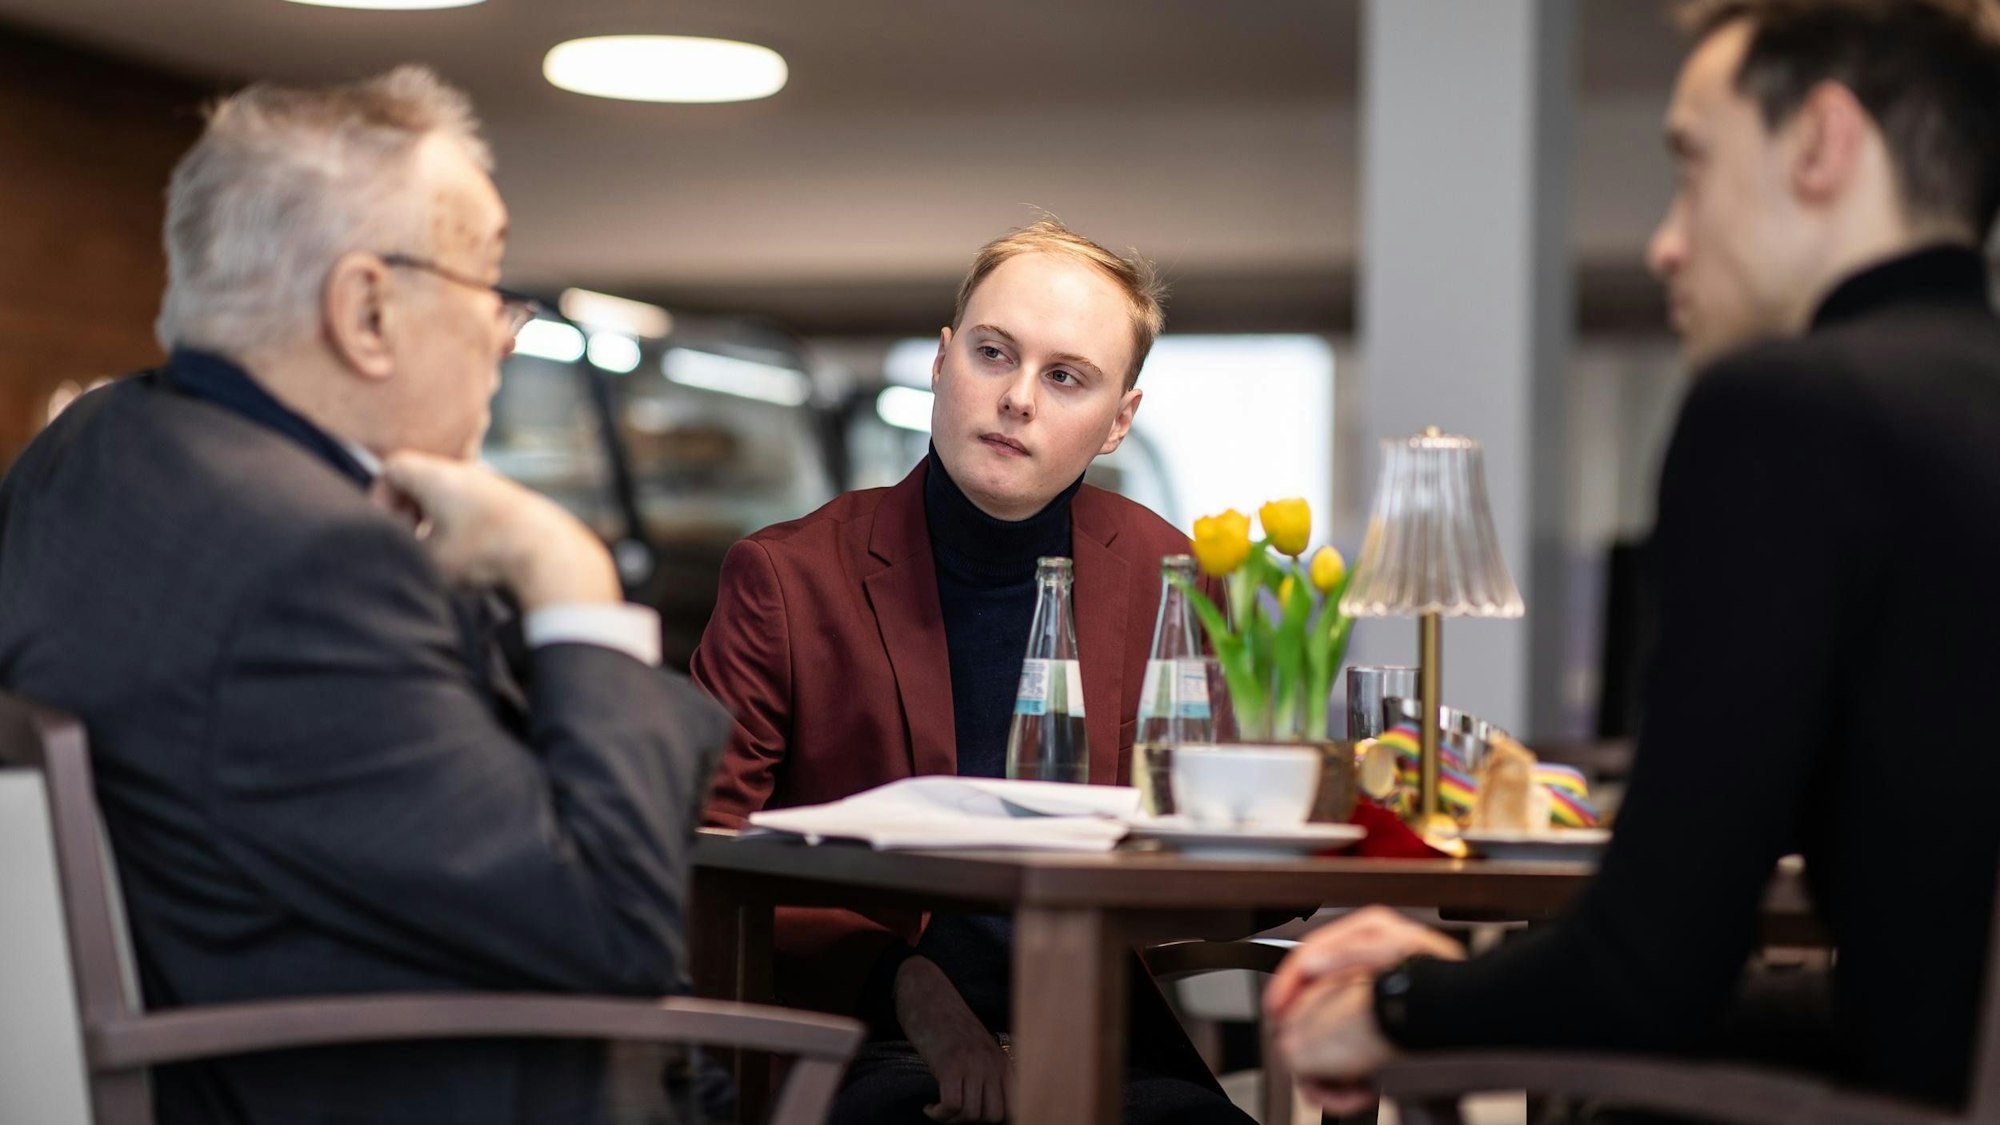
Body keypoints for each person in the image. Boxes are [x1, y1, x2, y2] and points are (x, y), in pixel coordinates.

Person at [1263, 0, 2000, 1114]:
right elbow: (1918, 1011)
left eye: (1692, 167)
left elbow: (1650, 969)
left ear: (1819, 144)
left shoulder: (1787, 413)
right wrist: (1459, 984)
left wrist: (1388, 1009)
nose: (1665, 238)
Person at [0, 67, 729, 1125]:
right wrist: (570, 582)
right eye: (488, 283)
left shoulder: (83, 453)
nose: (504, 330)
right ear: (367, 308)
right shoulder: (310, 564)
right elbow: (613, 927)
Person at [694, 219, 1252, 1124]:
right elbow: (703, 856)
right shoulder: (788, 577)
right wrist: (908, 986)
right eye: (994, 354)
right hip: (853, 1037)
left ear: (1119, 422)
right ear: (943, 362)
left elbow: (1230, 828)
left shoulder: (1170, 575)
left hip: (1101, 1043)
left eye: (1065, 376)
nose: (1018, 397)